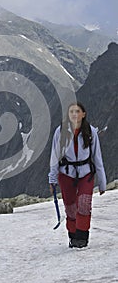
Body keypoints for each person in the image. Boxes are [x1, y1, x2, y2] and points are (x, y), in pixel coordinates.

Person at [48, 102, 107, 248]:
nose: (74, 114)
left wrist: (102, 182)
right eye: (71, 112)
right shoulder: (60, 132)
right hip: (66, 174)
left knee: (84, 204)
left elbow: (97, 157)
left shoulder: (90, 132)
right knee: (70, 207)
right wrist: (52, 179)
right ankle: (73, 235)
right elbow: (54, 157)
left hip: (86, 173)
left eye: (77, 111)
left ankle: (82, 237)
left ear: (83, 114)